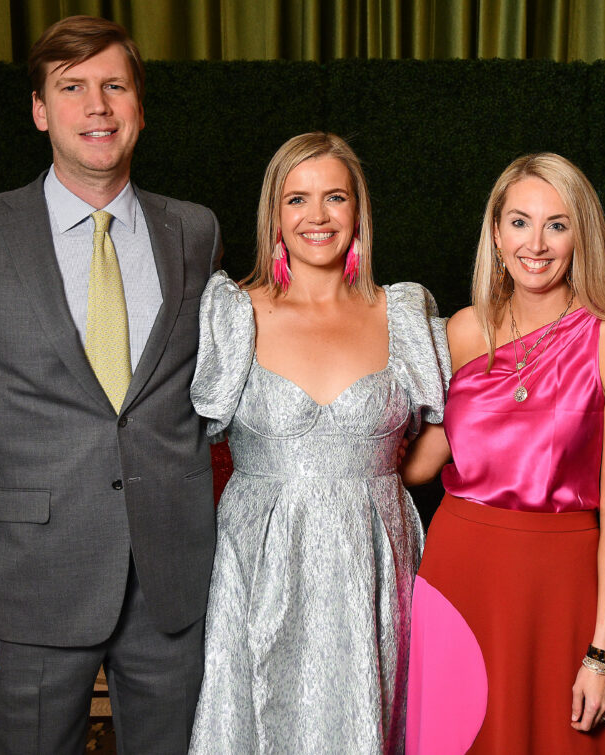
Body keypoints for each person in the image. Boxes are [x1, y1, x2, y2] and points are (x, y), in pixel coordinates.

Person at [0, 16, 221, 753]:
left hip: (172, 585)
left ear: (139, 106)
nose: (98, 106)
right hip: (31, 585)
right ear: (41, 110)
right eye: (73, 88)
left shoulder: (195, 232)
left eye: (115, 86)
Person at [188, 132, 450, 753]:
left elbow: (442, 433)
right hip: (262, 566)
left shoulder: (405, 312)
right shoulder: (233, 311)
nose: (317, 216)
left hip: (375, 564)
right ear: (274, 214)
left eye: (335, 197)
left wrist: (376, 481)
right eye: (297, 199)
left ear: (358, 210)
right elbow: (180, 438)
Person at [402, 153, 605, 753]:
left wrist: (603, 652)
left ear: (580, 235)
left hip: (560, 587)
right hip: (457, 574)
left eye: (557, 224)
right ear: (495, 231)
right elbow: (419, 466)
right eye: (519, 222)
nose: (535, 243)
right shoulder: (462, 331)